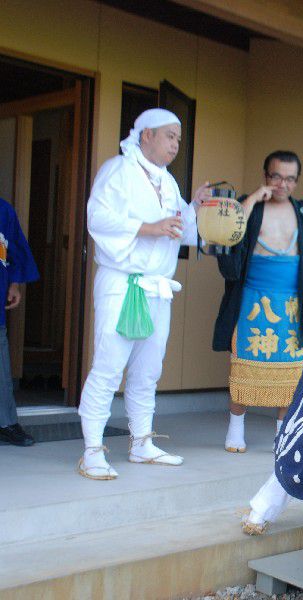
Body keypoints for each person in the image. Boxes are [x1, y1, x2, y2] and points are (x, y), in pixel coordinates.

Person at [77, 108, 211, 480]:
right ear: (146, 135)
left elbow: (180, 231)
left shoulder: (167, 182)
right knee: (108, 365)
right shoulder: (117, 171)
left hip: (157, 287)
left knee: (148, 370)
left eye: (179, 139)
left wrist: (194, 208)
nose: (175, 145)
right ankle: (92, 449)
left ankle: (141, 443)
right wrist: (148, 227)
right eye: (170, 136)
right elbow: (97, 219)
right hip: (123, 283)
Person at [212, 150, 303, 532]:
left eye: (289, 178)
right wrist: (251, 199)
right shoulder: (247, 206)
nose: (282, 184)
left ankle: (281, 435)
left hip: (291, 302)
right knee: (245, 364)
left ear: (298, 181)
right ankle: (235, 427)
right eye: (275, 177)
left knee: (291, 375)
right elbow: (226, 238)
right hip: (253, 298)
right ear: (264, 175)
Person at [0, 197, 39, 447]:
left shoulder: (3, 210)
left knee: (1, 365)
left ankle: (6, 422)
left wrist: (14, 283)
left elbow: (14, 249)